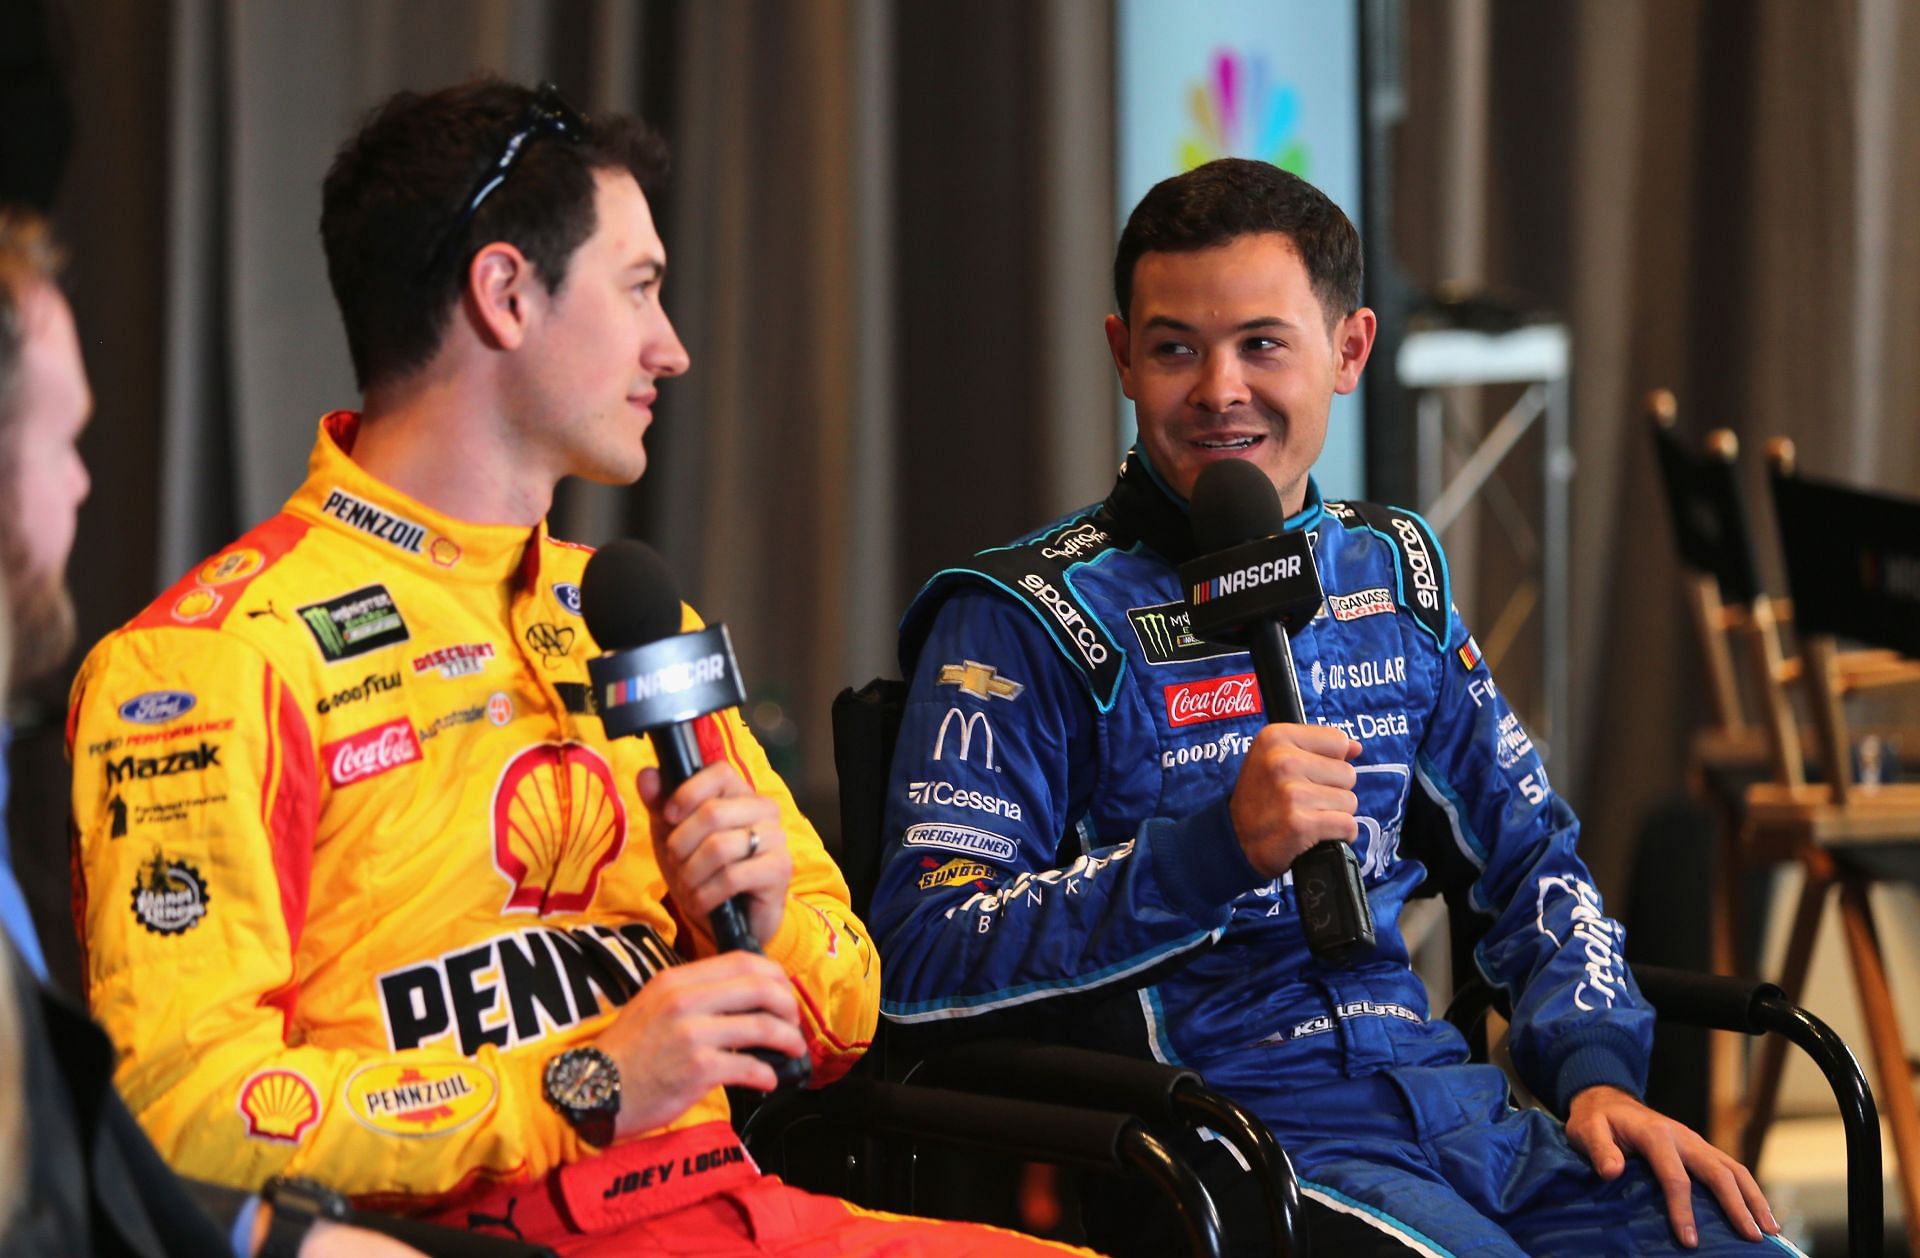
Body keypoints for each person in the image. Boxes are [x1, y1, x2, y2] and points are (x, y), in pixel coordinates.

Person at [64, 81, 1084, 1257]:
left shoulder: (635, 613)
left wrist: (752, 919)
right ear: (505, 294)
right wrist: (580, 1084)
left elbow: (844, 1013)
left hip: (748, 1212)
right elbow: (180, 1116)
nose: (675, 347)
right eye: (641, 288)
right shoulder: (205, 663)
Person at [870, 158, 1798, 1256]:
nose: (1219, 388)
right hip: (1220, 1146)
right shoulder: (1020, 615)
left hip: (1457, 1116)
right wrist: (1208, 854)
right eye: (1175, 348)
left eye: (1262, 343)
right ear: (1123, 355)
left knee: (1742, 1244)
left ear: (1349, 350)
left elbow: (1533, 862)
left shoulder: (1393, 572)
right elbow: (915, 959)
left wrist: (1594, 1071)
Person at [1, 210, 427, 1255]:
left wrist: (265, 1240)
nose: (83, 485)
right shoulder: (208, 660)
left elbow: (60, 1149)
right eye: (63, 442)